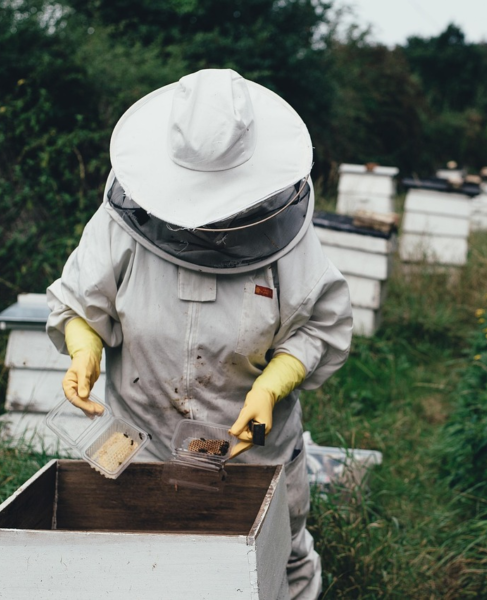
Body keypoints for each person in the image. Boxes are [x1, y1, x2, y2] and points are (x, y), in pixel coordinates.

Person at [46, 68, 353, 599]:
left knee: (278, 560)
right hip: (138, 443)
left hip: (250, 449)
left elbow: (318, 327)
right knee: (148, 569)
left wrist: (270, 387)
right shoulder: (121, 222)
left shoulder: (290, 241)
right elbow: (82, 301)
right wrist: (83, 347)